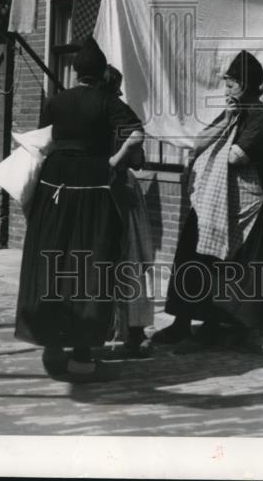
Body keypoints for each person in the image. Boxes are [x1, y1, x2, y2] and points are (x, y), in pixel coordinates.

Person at [15, 36, 144, 381]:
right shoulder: (107, 100)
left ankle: (51, 347)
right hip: (92, 184)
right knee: (90, 259)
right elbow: (137, 134)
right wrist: (113, 163)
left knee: (52, 256)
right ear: (101, 74)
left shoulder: (57, 102)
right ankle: (82, 358)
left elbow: (47, 140)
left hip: (54, 184)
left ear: (75, 74)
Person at [152, 50, 263, 350]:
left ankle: (216, 328)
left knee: (223, 269)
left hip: (241, 205)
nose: (227, 89)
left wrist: (228, 128)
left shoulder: (262, 118)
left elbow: (235, 157)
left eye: (232, 83)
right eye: (227, 83)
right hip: (210, 198)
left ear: (246, 86)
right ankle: (181, 323)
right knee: (190, 257)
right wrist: (227, 121)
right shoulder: (231, 115)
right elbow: (200, 143)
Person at [101, 64, 155, 359]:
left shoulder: (84, 112)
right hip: (118, 191)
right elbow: (138, 160)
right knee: (129, 264)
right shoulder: (123, 115)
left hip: (99, 193)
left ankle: (114, 328)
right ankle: (133, 331)